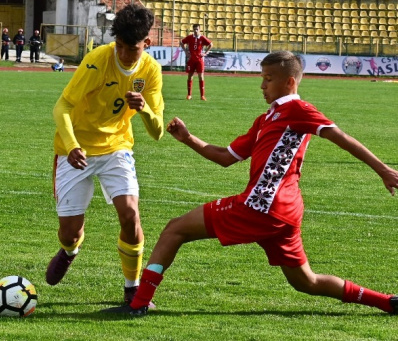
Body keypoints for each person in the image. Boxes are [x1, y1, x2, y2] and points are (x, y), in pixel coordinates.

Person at [107, 51, 398, 315]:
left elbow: (342, 138)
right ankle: (387, 302)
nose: (262, 86)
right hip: (283, 211)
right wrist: (188, 138)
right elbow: (225, 157)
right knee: (306, 282)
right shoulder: (266, 119)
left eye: (268, 79)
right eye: (262, 79)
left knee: (174, 229)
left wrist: (384, 170)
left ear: (289, 83)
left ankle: (138, 303)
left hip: (262, 205)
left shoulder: (298, 110)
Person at [46, 3, 165, 305]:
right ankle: (71, 250)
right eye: (120, 47)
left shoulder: (150, 70)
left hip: (116, 148)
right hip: (76, 150)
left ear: (146, 44)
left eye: (133, 49)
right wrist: (72, 145)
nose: (125, 55)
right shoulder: (98, 60)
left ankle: (132, 289)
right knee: (69, 233)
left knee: (130, 215)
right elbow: (62, 106)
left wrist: (146, 109)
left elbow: (157, 131)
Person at [181, 24, 212, 101]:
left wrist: (205, 53)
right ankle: (189, 95)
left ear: (199, 29)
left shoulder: (202, 38)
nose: (195, 31)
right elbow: (181, 42)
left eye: (197, 29)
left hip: (199, 60)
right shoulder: (190, 37)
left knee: (201, 77)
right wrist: (186, 52)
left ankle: (202, 96)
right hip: (191, 60)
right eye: (194, 29)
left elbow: (211, 44)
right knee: (190, 76)